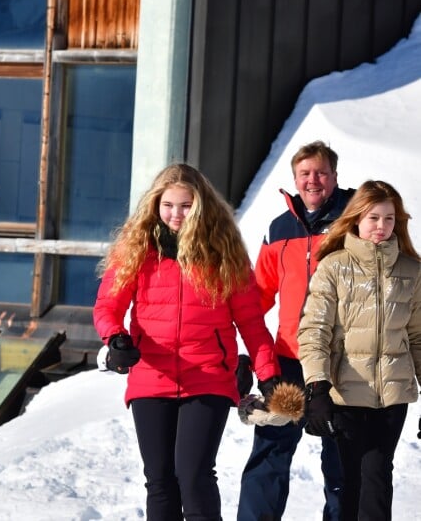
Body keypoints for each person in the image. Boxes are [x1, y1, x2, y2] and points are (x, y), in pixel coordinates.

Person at [93, 163, 303, 521]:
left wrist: (268, 375)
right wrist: (115, 339)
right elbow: (107, 306)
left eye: (186, 205)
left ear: (201, 205)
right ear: (155, 205)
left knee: (193, 476)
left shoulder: (224, 254)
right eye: (168, 205)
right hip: (151, 376)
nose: (176, 214)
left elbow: (252, 323)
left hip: (208, 376)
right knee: (159, 480)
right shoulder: (136, 250)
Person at [237, 140, 354, 521]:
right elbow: (257, 298)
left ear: (335, 176)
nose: (312, 180)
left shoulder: (354, 223)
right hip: (288, 362)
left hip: (340, 363)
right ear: (294, 179)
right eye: (304, 173)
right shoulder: (280, 228)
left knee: (342, 461)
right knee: (270, 453)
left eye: (320, 172)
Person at [298, 180, 421, 521]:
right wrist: (317, 386)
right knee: (353, 480)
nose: (382, 226)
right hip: (345, 395)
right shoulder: (334, 267)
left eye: (389, 219)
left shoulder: (411, 271)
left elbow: (419, 338)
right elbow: (314, 331)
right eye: (373, 218)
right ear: (355, 219)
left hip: (392, 397)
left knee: (377, 477)